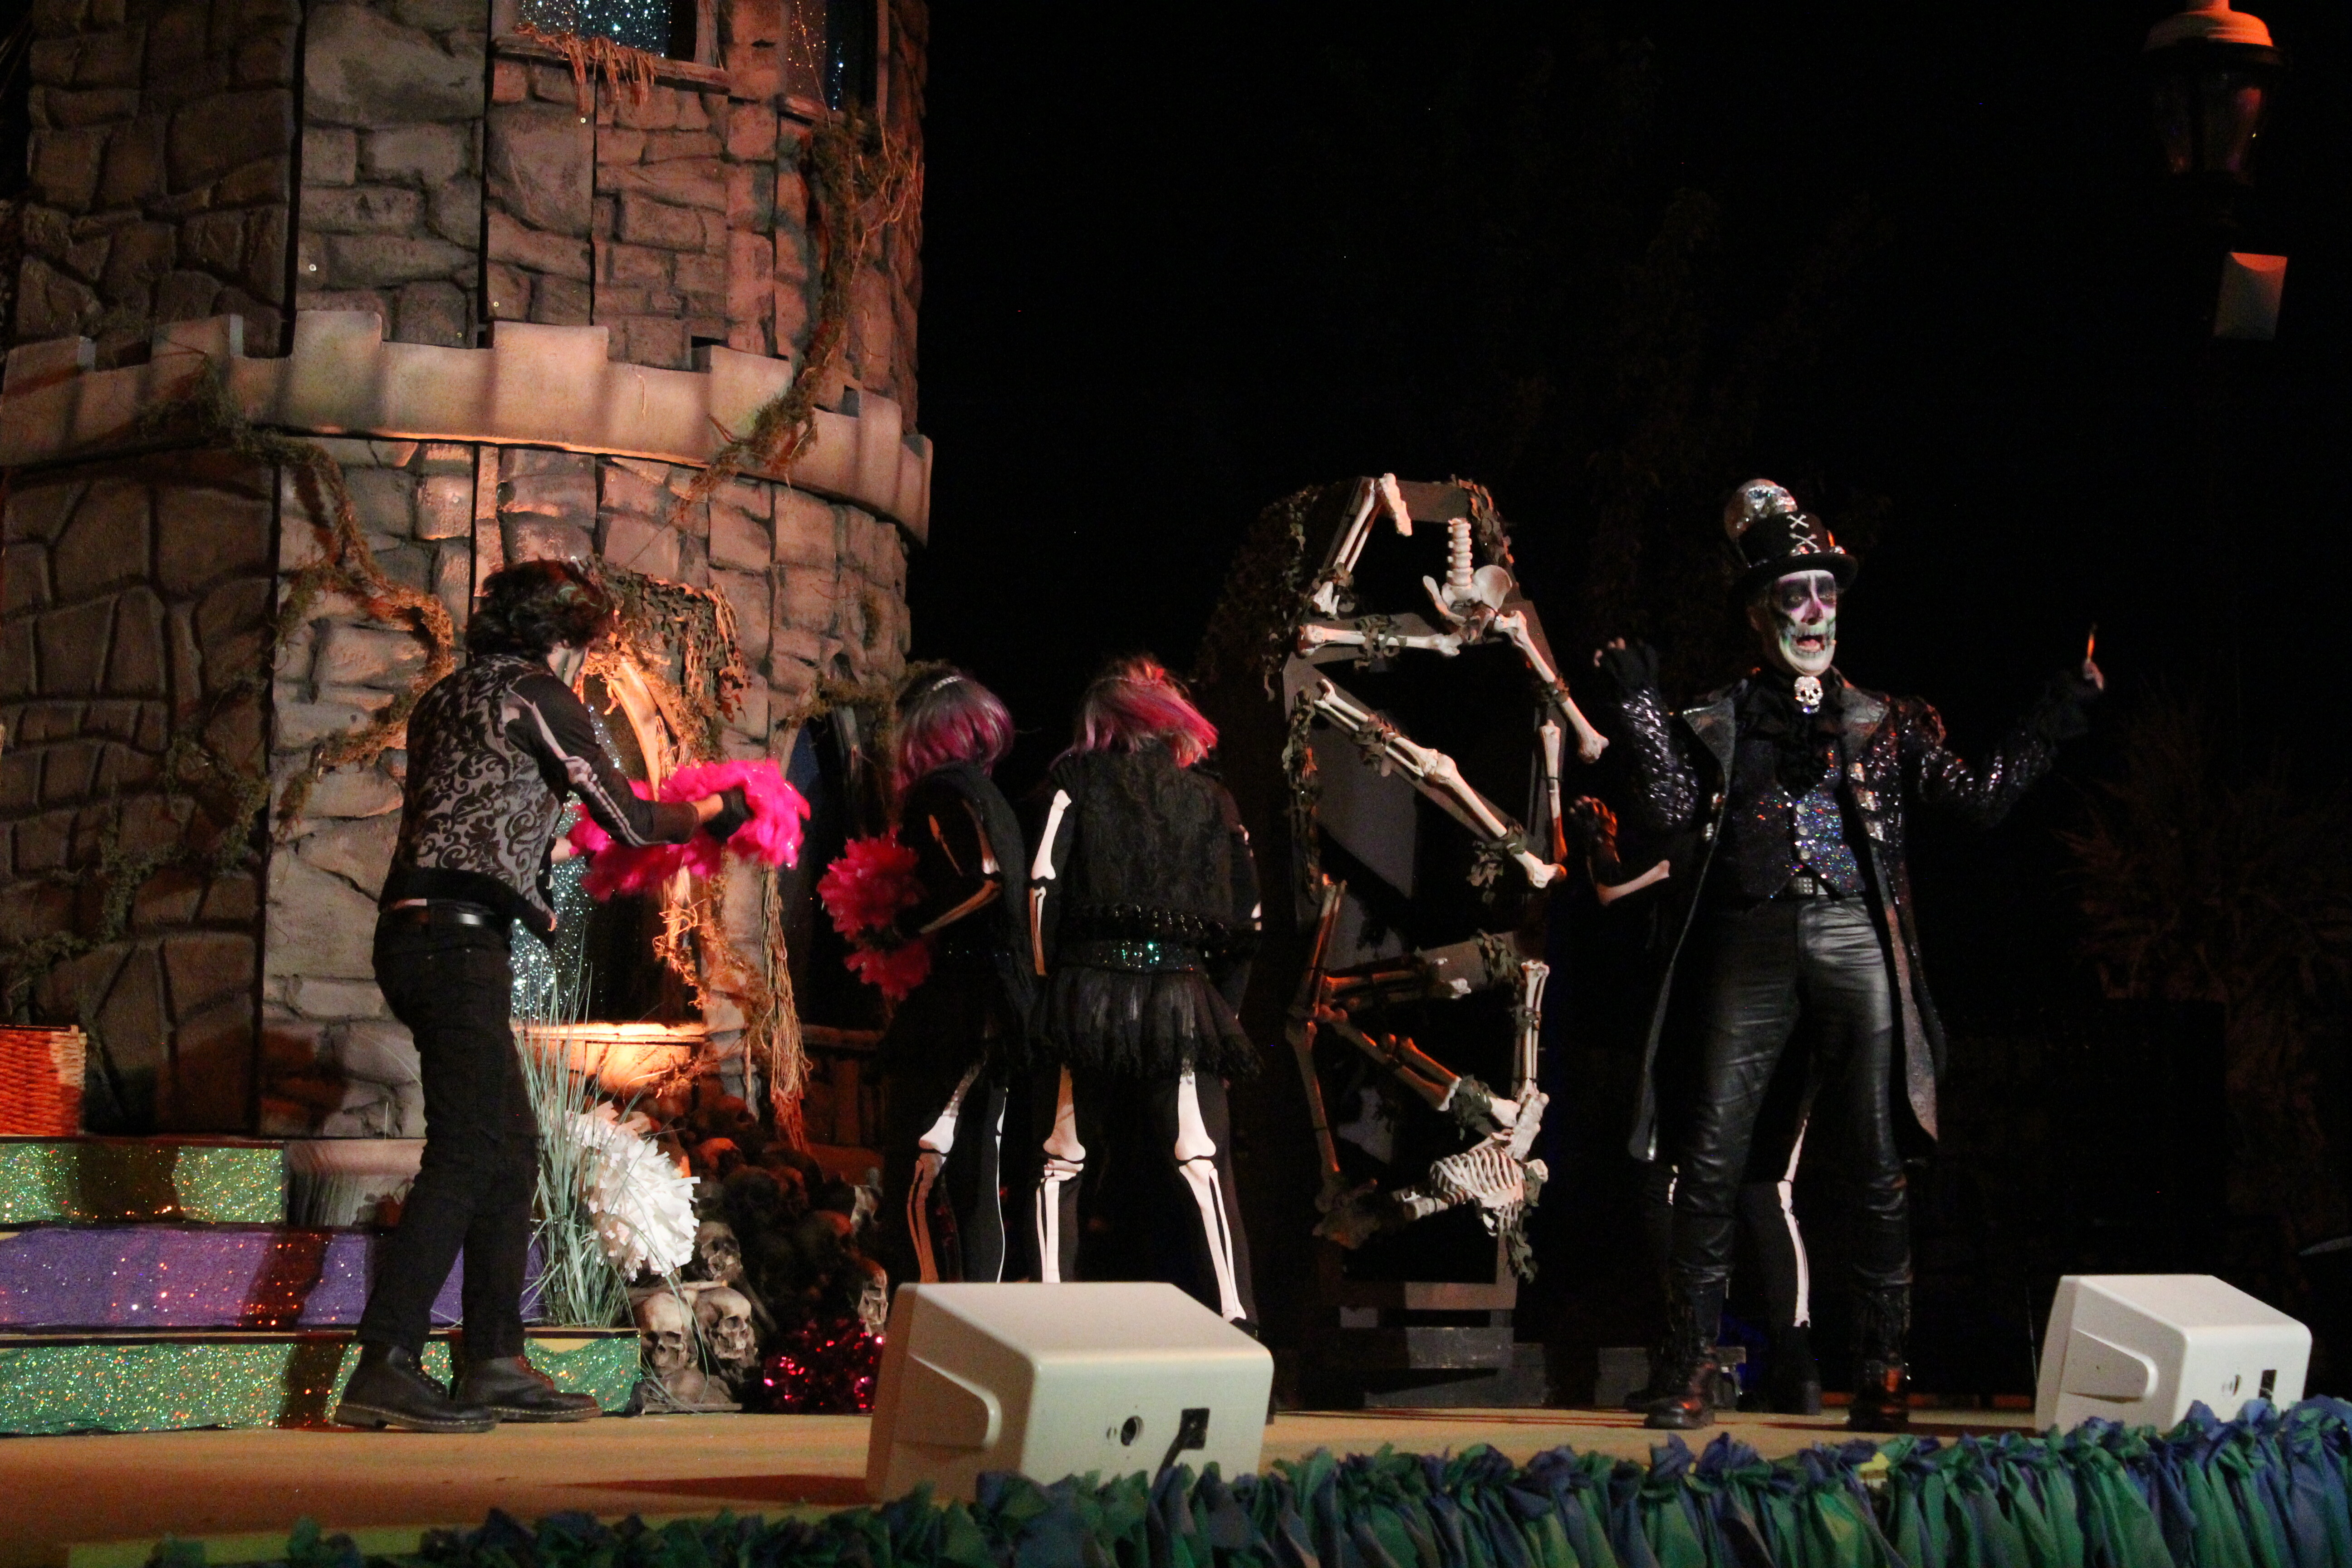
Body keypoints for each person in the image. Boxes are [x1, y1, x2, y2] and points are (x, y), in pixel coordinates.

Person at [1596, 479, 2100, 1431]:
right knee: (1711, 1155)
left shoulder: (1885, 721)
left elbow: (1980, 799)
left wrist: (2054, 718)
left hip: (1855, 935)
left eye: (1825, 592)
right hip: (1749, 939)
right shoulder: (1721, 718)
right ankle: (1691, 1365)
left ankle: (1884, 1371)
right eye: (1793, 595)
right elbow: (1668, 818)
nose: (1814, 612)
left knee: (1874, 1159)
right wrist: (1643, 711)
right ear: (1758, 612)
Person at [334, 560, 752, 1434]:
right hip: (455, 943)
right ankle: (386, 1361)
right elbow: (632, 818)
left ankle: (494, 1359)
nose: (586, 666)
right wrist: (715, 809)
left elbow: (482, 824)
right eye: (587, 649)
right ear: (564, 638)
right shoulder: (537, 694)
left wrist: (563, 852)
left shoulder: (447, 698)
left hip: (420, 935)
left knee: (513, 1147)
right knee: (467, 1149)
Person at [1025, 656, 1262, 1325]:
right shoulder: (1212, 799)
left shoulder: (1074, 782)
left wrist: (1045, 991)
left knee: (1060, 1159)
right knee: (1200, 1160)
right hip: (1181, 992)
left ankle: (1046, 1331)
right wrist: (1223, 1012)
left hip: (1085, 989)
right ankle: (1238, 1327)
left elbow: (1040, 891)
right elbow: (1250, 920)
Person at [873, 666, 1034, 1286]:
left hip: (964, 1003)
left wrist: (903, 926)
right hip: (999, 1002)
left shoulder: (941, 791)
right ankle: (975, 1318)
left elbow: (983, 880)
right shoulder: (988, 795)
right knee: (976, 1175)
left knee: (919, 1165)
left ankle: (926, 1318)